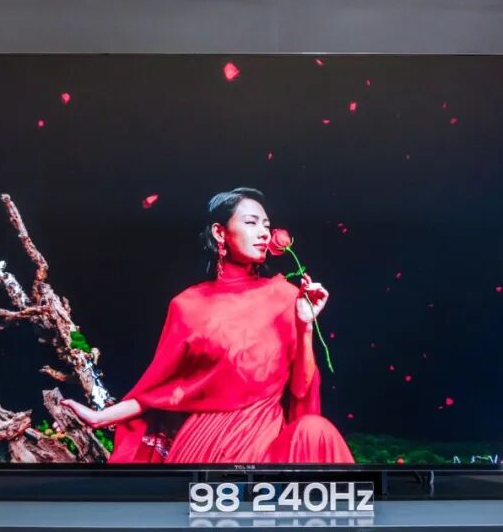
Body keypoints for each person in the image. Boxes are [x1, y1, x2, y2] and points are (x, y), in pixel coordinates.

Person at [61, 187, 354, 464]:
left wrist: (305, 326)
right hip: (205, 444)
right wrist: (100, 417)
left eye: (267, 225)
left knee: (316, 431)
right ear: (219, 232)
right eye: (251, 222)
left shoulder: (286, 297)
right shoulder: (187, 306)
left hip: (264, 437)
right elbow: (159, 390)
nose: (264, 232)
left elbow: (301, 390)